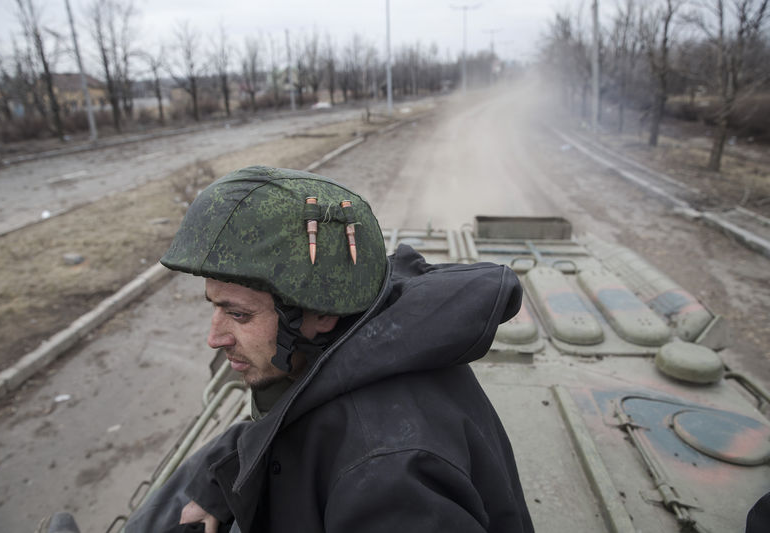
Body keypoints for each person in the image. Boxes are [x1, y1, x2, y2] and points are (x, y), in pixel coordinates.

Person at [125, 165, 533, 533]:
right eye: (215, 307)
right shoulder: (359, 339)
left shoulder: (386, 476)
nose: (215, 338)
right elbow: (298, 417)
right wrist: (218, 483)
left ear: (320, 314)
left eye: (239, 315)